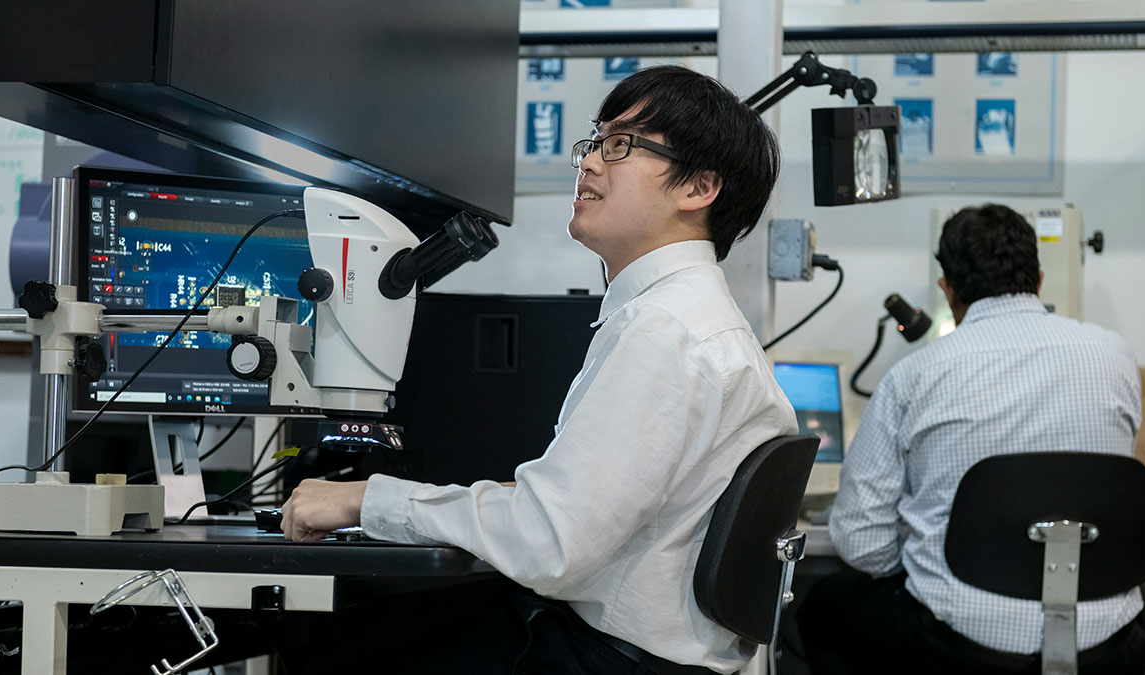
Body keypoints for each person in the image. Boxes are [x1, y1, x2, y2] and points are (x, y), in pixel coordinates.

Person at [281, 65, 798, 675]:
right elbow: (581, 510)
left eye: (621, 146)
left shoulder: (666, 330)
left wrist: (365, 500)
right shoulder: (687, 319)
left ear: (699, 187)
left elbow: (550, 544)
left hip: (603, 661)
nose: (590, 163)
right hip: (632, 656)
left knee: (328, 651)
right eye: (595, 142)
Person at [791, 203, 1145, 674]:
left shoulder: (914, 376)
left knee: (825, 607)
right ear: (1039, 279)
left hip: (959, 651)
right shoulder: (1115, 356)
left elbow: (860, 541)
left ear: (947, 288)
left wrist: (935, 548)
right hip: (1110, 647)